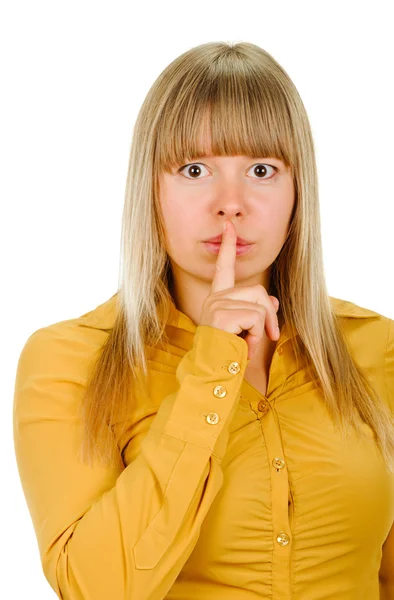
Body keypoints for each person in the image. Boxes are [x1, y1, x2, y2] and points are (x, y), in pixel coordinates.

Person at [13, 41, 394, 599]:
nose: (230, 203)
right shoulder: (68, 360)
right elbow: (92, 588)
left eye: (261, 169)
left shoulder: (377, 348)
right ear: (152, 189)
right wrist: (212, 367)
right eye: (195, 169)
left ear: (297, 192)